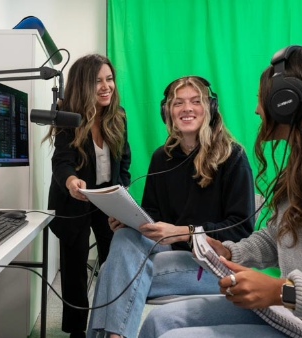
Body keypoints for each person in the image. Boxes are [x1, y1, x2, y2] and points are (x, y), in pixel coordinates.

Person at [138, 44, 302, 338]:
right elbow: (280, 237)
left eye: (263, 99)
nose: (257, 109)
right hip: (293, 313)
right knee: (160, 321)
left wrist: (284, 291)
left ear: (288, 102)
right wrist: (228, 250)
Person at [87, 76, 255, 338]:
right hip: (164, 254)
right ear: (168, 112)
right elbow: (153, 216)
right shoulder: (161, 156)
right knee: (123, 237)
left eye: (195, 101)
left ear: (210, 108)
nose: (186, 108)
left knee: (112, 273)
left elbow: (241, 230)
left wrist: (182, 232)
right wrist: (129, 219)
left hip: (211, 264)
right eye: (178, 103)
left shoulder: (233, 157)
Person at [44, 54, 131, 338]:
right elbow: (62, 161)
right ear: (83, 85)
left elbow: (124, 160)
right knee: (74, 266)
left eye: (109, 79)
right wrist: (71, 182)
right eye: (98, 81)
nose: (107, 87)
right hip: (73, 199)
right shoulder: (69, 118)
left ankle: (110, 324)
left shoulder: (119, 116)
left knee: (114, 260)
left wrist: (122, 191)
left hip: (107, 200)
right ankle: (75, 331)